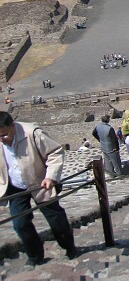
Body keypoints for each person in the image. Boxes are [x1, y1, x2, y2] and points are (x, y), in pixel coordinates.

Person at [0, 111, 78, 265]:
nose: (2, 139)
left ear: (13, 127)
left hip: (40, 182)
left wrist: (50, 176)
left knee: (56, 220)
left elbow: (55, 152)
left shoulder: (32, 133)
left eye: (4, 135)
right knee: (20, 224)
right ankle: (35, 256)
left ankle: (70, 248)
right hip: (15, 187)